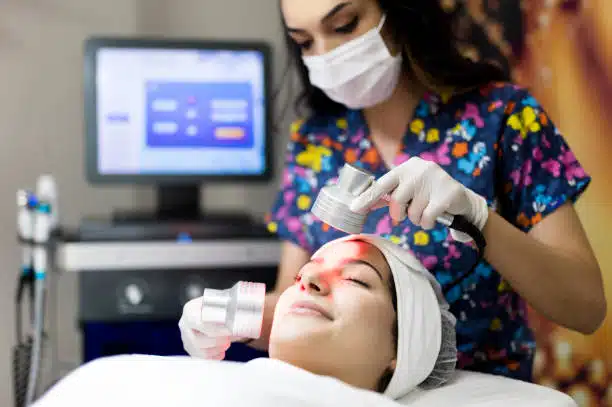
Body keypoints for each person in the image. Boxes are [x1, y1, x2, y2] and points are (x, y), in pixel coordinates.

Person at [179, 0, 607, 383]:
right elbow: (293, 298)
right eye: (305, 42)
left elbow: (585, 308)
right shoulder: (315, 141)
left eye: (345, 25)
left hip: (480, 390)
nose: (326, 56)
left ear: (400, 12)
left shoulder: (504, 119)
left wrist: (479, 221)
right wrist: (231, 313)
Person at [37, 235, 456, 406]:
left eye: (356, 280)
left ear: (399, 353)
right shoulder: (118, 382)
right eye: (304, 271)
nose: (308, 278)